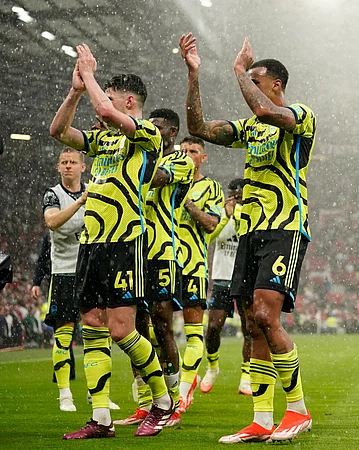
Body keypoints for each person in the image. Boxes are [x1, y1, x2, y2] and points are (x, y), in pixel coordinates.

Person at [180, 32, 316, 443]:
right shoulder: (251, 129)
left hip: (284, 227)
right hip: (250, 232)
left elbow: (263, 108)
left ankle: (298, 411)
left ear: (276, 84)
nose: (247, 89)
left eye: (255, 82)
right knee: (253, 325)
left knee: (267, 317)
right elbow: (198, 127)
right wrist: (194, 75)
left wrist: (239, 69)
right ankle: (261, 419)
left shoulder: (299, 115)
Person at [49, 45, 174, 438]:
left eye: (110, 95)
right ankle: (101, 418)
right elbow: (58, 132)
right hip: (91, 243)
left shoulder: (147, 134)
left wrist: (88, 75)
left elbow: (104, 111)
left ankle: (162, 401)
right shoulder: (103, 141)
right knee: (90, 325)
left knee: (122, 330)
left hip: (124, 242)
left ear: (129, 101)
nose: (101, 102)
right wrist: (75, 91)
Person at [115, 108, 196, 427]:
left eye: (158, 127)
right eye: (148, 126)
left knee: (162, 326)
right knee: (135, 328)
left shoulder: (180, 161)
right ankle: (145, 402)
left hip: (162, 251)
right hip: (134, 250)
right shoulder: (139, 156)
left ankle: (172, 401)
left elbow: (155, 177)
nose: (151, 131)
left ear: (172, 132)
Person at [174, 136, 223, 420]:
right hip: (163, 262)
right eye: (183, 151)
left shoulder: (211, 187)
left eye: (193, 151)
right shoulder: (166, 181)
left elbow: (212, 224)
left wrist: (189, 205)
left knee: (193, 332)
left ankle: (183, 391)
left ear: (203, 158)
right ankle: (155, 393)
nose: (187, 155)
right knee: (156, 330)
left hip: (192, 265)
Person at [40, 148, 87, 412]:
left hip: (89, 272)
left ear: (83, 167)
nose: (68, 166)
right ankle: (65, 395)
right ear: (58, 167)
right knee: (64, 335)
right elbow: (53, 222)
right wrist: (80, 203)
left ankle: (96, 394)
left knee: (96, 333)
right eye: (64, 162)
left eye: (73, 162)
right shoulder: (52, 194)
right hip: (64, 273)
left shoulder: (92, 191)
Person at [200, 178, 253, 396]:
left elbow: (246, 237)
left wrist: (237, 215)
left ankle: (246, 377)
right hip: (222, 277)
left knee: (249, 328)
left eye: (240, 196)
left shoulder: (250, 214)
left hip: (244, 277)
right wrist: (225, 216)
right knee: (213, 328)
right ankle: (212, 366)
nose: (236, 199)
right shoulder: (219, 213)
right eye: (234, 195)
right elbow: (209, 239)